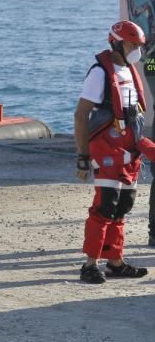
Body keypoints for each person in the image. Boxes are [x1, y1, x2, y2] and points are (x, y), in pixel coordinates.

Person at [74, 20, 155, 284]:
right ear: (117, 43)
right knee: (104, 206)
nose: (137, 50)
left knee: (122, 206)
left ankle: (115, 261)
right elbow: (81, 114)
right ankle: (90, 264)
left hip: (129, 151)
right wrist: (83, 156)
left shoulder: (130, 70)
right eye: (133, 45)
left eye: (138, 46)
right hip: (107, 150)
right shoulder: (100, 72)